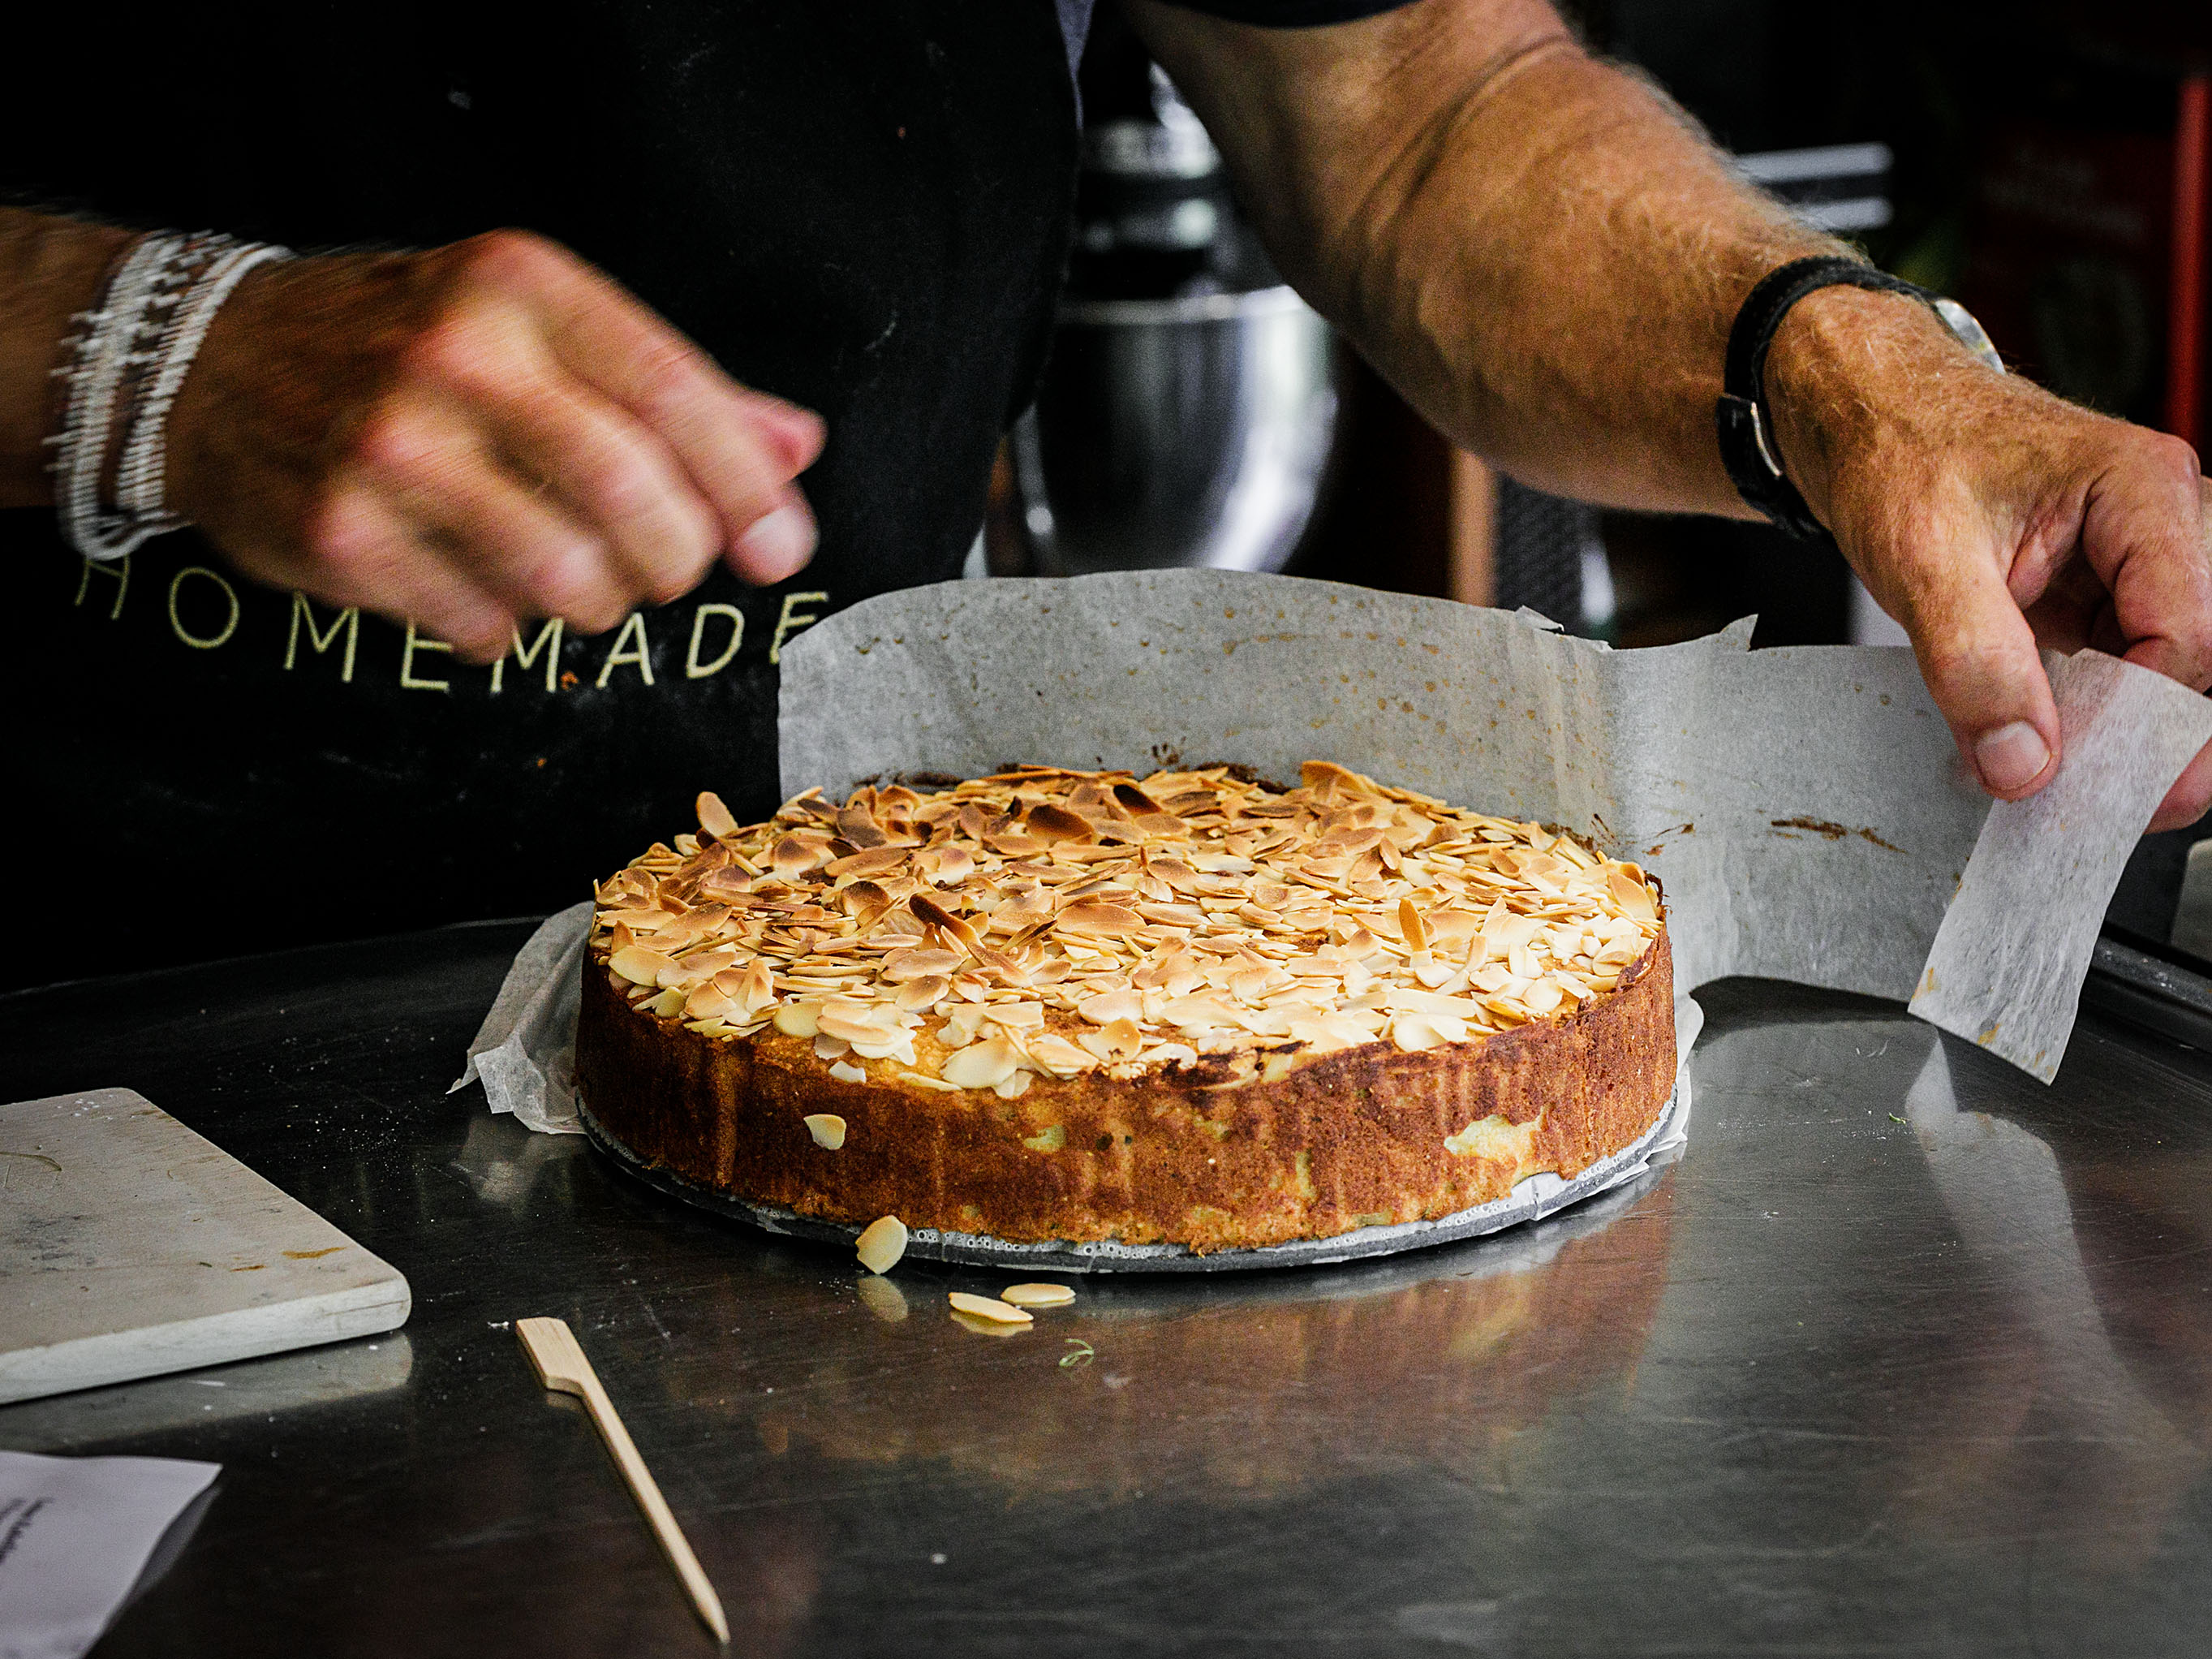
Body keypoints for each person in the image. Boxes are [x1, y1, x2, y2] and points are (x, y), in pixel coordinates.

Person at [5, 0, 2206, 990]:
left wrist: (1850, 372)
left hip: (847, 955)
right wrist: (130, 360)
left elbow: (1418, 110)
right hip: (73, 1007)